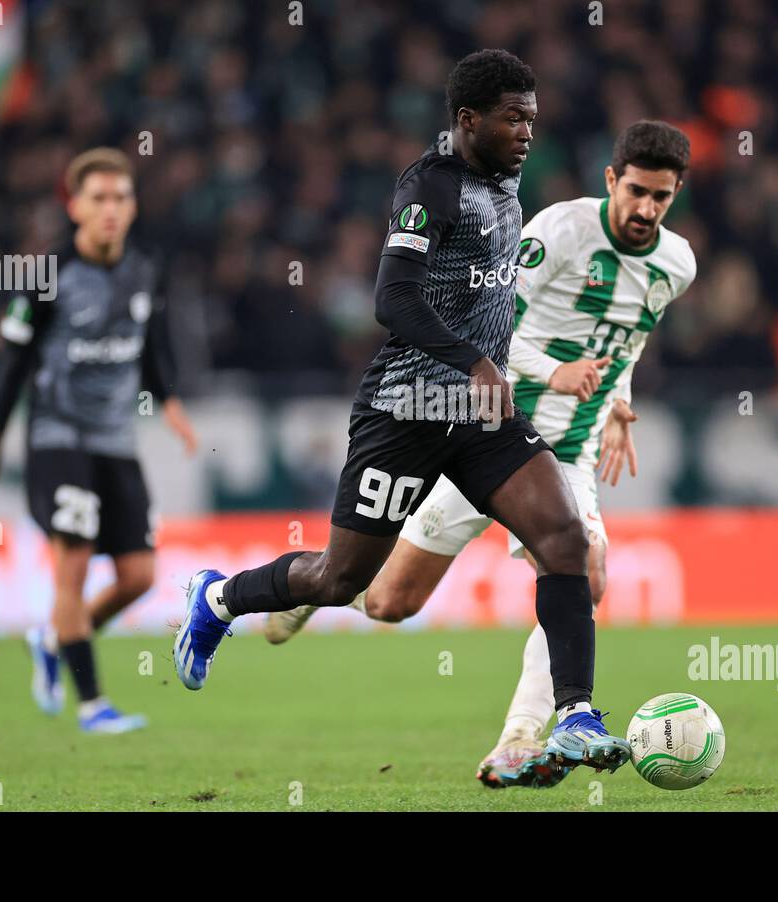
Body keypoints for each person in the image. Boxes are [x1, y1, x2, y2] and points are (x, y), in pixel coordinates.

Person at [173, 49, 634, 775]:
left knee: (565, 537)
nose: (526, 132)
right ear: (467, 119)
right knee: (341, 581)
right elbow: (393, 298)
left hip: (481, 418)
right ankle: (220, 597)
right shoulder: (431, 185)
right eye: (513, 118)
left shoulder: (506, 183)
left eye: (533, 119)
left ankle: (573, 714)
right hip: (408, 407)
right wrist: (477, 362)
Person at [265, 121, 697, 788]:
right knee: (388, 603)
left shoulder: (678, 265)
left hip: (567, 449)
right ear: (612, 180)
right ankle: (321, 586)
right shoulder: (557, 231)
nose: (646, 209)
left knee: (585, 568)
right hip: (483, 430)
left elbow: (625, 339)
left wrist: (617, 400)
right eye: (636, 191)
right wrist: (552, 371)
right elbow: (487, 320)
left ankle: (521, 742)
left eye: (661, 198)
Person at [0, 147, 197, 734]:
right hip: (57, 437)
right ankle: (93, 705)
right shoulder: (49, 277)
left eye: (120, 197)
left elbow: (149, 345)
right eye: (98, 198)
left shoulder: (145, 268)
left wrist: (168, 403)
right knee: (71, 564)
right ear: (74, 207)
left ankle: (51, 640)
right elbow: (14, 364)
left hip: (116, 440)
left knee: (139, 576)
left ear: (133, 204)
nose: (110, 209)